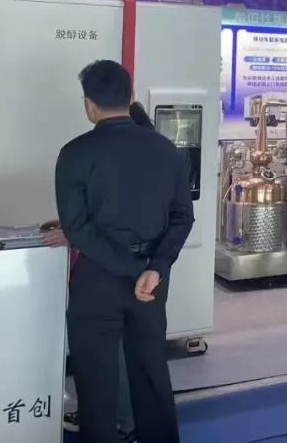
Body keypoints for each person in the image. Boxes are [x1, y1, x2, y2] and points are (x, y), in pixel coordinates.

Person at [57, 62, 194, 443]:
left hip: (98, 278)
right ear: (131, 96)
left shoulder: (75, 154)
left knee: (96, 378)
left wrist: (132, 269)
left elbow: (76, 228)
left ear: (89, 105)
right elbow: (183, 217)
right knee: (150, 371)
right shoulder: (166, 150)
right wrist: (155, 267)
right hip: (151, 280)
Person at [56, 101, 158, 443]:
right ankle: (122, 422)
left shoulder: (96, 156)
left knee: (112, 356)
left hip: (114, 274)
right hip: (141, 273)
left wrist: (76, 233)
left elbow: (106, 221)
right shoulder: (153, 160)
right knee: (128, 354)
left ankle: (121, 423)